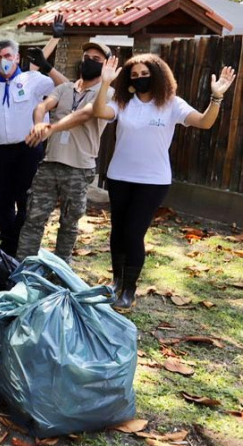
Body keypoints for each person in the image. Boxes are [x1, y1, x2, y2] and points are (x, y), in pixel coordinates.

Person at [92, 54, 236, 311]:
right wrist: (105, 84)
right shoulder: (123, 102)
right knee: (118, 231)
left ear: (157, 75)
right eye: (134, 75)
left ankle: (129, 289)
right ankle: (116, 281)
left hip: (152, 181)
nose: (139, 78)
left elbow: (204, 122)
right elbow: (99, 111)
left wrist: (217, 97)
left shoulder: (171, 104)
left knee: (134, 233)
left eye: (144, 74)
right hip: (119, 176)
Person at [0, 38, 65, 255]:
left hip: (28, 148)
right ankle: (8, 244)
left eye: (7, 56)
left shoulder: (34, 79)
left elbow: (67, 88)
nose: (3, 61)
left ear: (17, 57)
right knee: (2, 202)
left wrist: (47, 67)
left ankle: (23, 244)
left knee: (26, 200)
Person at [18, 41, 114, 261]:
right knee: (33, 217)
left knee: (69, 223)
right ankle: (23, 265)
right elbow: (42, 106)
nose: (89, 61)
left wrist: (50, 128)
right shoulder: (64, 88)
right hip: (50, 163)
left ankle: (60, 269)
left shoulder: (105, 93)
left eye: (96, 59)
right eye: (86, 57)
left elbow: (85, 115)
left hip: (79, 168)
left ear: (106, 66)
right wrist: (37, 123)